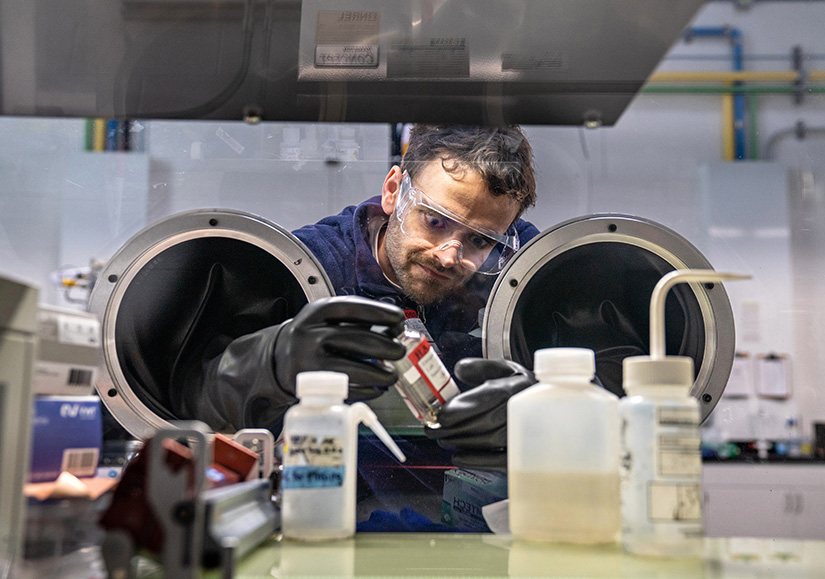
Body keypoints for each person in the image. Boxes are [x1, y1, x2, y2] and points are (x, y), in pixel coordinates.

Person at [171, 124, 540, 470]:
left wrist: (533, 412)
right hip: (328, 493)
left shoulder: (520, 271)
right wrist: (272, 362)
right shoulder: (308, 268)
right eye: (435, 221)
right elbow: (187, 402)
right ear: (394, 191)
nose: (448, 255)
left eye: (480, 240)